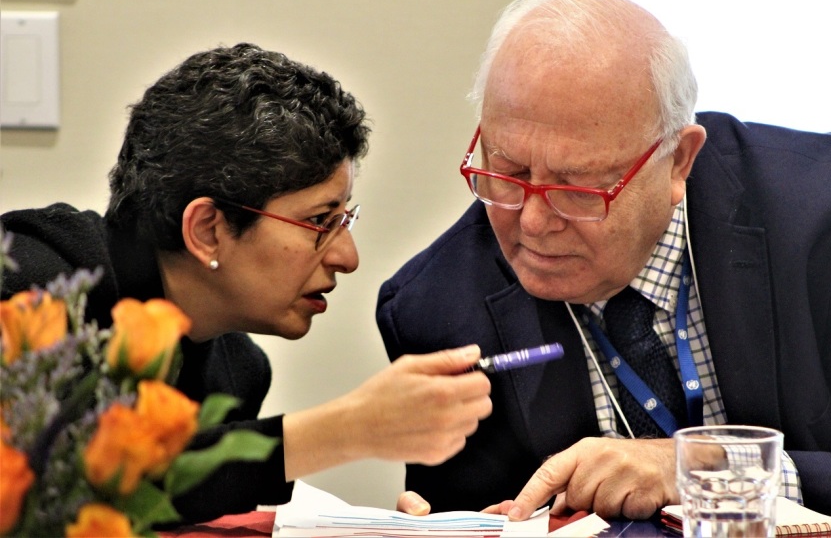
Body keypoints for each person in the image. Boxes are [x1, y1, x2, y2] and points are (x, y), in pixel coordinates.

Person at [379, 0, 831, 521]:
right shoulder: (436, 311)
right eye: (507, 172)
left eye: (577, 187)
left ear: (678, 161)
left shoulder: (829, 222)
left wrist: (702, 471)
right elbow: (469, 511)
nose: (532, 222)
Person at [0, 43, 492, 523]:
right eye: (320, 221)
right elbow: (61, 482)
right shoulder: (27, 283)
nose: (348, 258)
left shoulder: (238, 372)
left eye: (345, 219)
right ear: (207, 230)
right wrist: (346, 429)